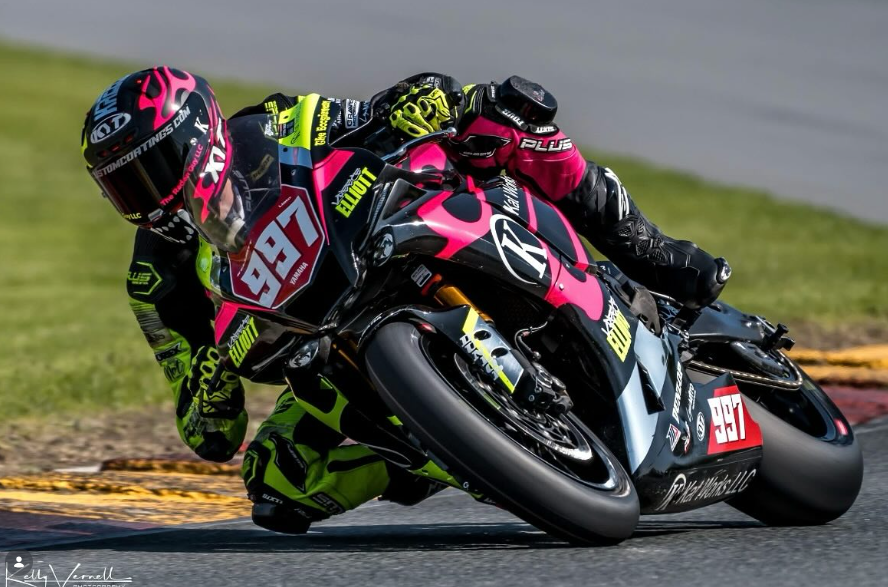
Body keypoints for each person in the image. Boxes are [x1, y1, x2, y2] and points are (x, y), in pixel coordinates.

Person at [81, 67, 729, 534]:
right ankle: (454, 449)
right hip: (324, 343)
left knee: (501, 124)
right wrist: (205, 375)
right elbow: (207, 429)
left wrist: (422, 103)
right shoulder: (156, 280)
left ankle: (651, 252)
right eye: (121, 187)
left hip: (383, 239)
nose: (143, 198)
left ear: (201, 139)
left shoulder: (271, 125)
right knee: (274, 479)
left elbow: (367, 116)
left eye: (152, 168)